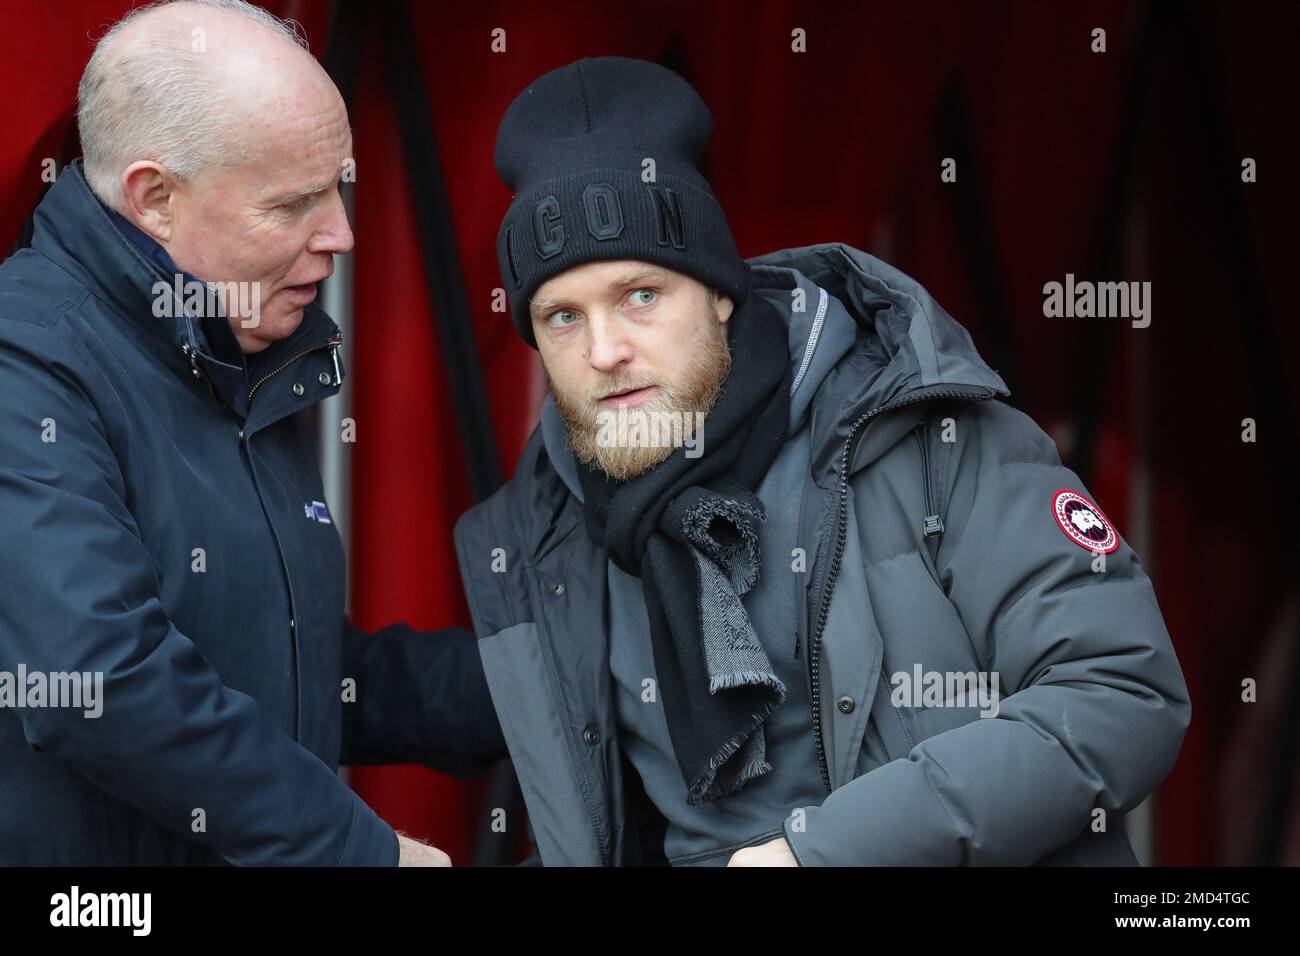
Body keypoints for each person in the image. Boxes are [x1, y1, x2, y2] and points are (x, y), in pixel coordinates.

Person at [454, 56, 1192, 866]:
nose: (604, 350)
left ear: (720, 291)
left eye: (640, 296)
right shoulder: (550, 529)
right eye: (562, 316)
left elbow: (1121, 693)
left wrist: (823, 854)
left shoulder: (922, 431)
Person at [0, 0, 503, 865]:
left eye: (339, 188)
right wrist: (362, 851)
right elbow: (101, 682)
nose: (341, 234)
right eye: (294, 204)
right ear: (154, 197)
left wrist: (561, 684)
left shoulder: (240, 342)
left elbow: (292, 670)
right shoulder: (26, 358)